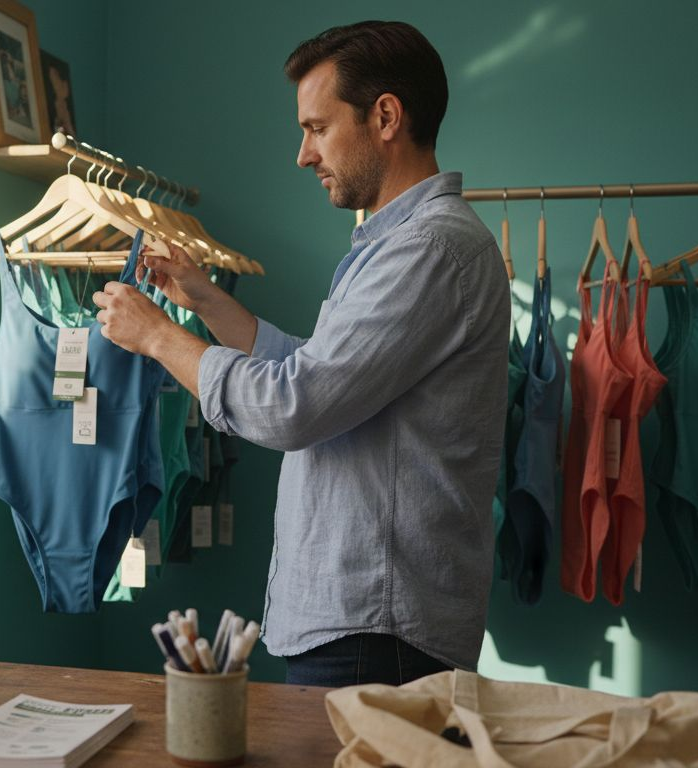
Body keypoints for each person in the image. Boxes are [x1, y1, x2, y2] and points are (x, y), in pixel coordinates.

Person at [92, 21, 508, 687]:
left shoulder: (428, 250)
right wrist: (205, 301)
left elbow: (297, 405)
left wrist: (158, 336)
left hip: (377, 632)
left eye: (316, 127)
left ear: (385, 116)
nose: (303, 154)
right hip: (365, 626)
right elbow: (317, 373)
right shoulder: (397, 246)